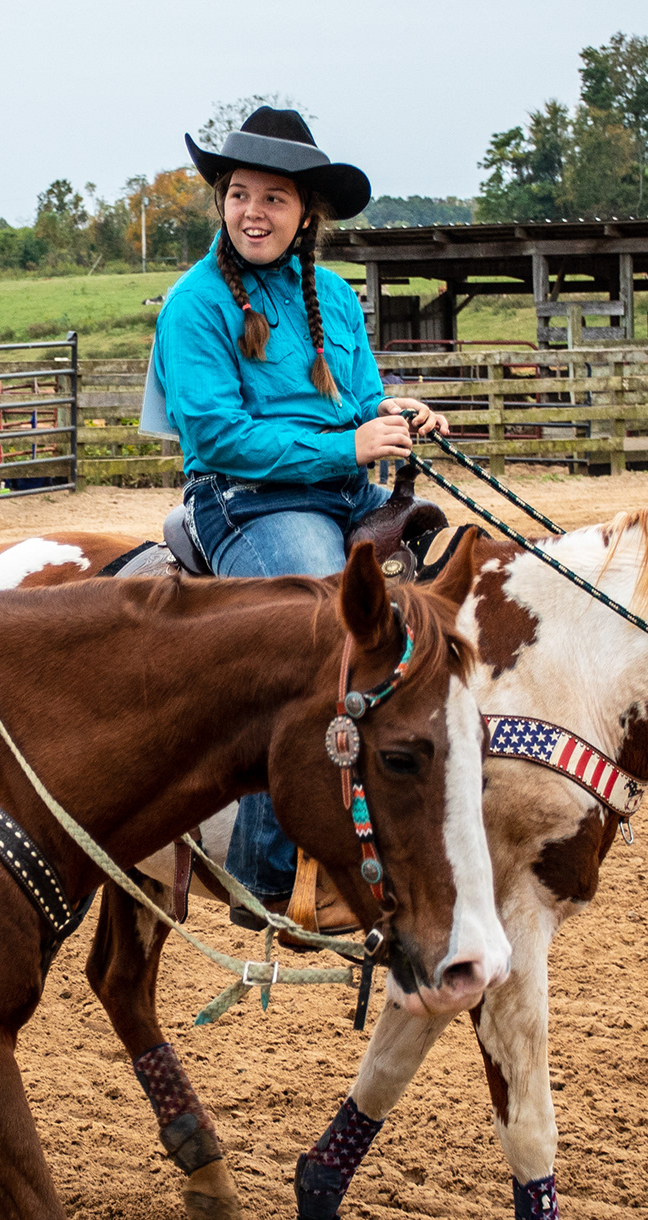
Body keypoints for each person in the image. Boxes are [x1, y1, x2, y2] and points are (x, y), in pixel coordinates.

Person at [152, 107, 446, 931]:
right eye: (239, 194)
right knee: (320, 633)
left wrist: (391, 412)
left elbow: (353, 401)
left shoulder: (331, 298)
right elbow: (218, 435)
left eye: (273, 199)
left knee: (448, 603)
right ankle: (266, 873)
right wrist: (348, 447)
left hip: (340, 487)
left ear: (306, 213)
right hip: (247, 498)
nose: (253, 212)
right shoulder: (195, 305)